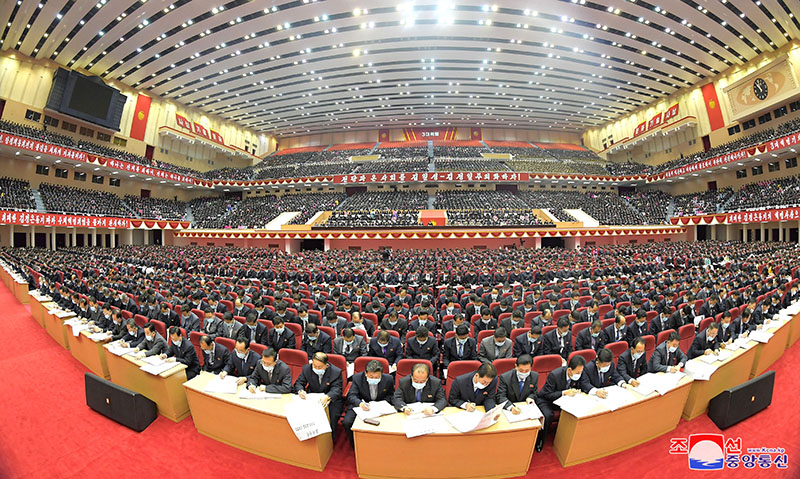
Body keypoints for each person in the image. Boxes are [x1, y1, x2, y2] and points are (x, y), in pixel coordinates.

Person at [535, 355, 586, 452]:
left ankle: (566, 439)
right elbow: (547, 394)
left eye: (581, 372)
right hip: (547, 400)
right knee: (548, 415)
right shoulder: (555, 375)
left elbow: (582, 385)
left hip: (564, 400)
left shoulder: (580, 374)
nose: (579, 374)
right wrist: (564, 393)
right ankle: (540, 440)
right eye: (577, 372)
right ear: (569, 370)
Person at [342, 359, 395, 446]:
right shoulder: (357, 378)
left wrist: (381, 403)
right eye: (371, 377)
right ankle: (355, 444)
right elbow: (352, 395)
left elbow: (391, 395)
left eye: (377, 377)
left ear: (381, 374)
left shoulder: (388, 379)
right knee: (347, 422)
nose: (374, 379)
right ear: (366, 373)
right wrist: (360, 403)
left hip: (379, 405)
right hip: (361, 405)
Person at [294, 352, 344, 440]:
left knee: (332, 416)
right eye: (314, 366)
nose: (316, 368)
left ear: (326, 365)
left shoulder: (336, 372)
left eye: (319, 367)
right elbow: (299, 383)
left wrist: (328, 396)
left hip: (331, 400)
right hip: (313, 396)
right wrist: (300, 390)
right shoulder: (307, 369)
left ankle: (329, 439)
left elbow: (337, 389)